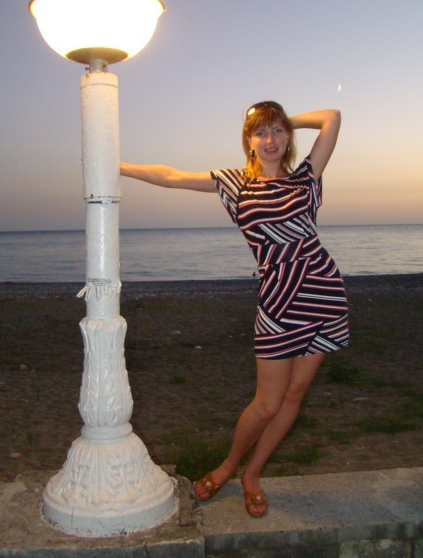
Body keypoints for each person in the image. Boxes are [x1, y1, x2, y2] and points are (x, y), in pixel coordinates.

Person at [120, 101, 350, 517]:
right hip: (278, 299)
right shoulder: (234, 183)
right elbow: (170, 176)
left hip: (323, 293)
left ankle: (252, 475)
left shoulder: (306, 177)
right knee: (266, 403)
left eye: (278, 131)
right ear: (248, 140)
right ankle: (228, 466)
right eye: (261, 132)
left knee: (295, 394)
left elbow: (331, 117)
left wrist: (283, 117)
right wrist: (117, 166)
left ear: (288, 137)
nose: (270, 139)